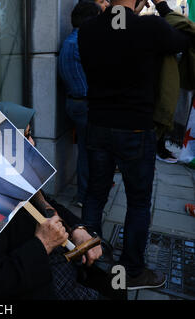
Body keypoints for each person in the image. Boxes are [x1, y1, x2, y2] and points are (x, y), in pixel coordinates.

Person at [0, 102, 118, 300]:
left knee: (115, 282)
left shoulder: (9, 171)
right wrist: (42, 244)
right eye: (24, 137)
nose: (32, 144)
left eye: (30, 134)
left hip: (61, 269)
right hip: (36, 288)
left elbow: (47, 205)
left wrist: (77, 228)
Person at [78, 0, 190, 290]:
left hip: (98, 125)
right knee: (138, 204)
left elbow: (114, 32)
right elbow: (188, 36)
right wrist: (164, 8)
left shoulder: (87, 29)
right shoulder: (151, 27)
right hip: (135, 129)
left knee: (94, 196)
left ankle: (87, 260)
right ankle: (131, 273)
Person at [58, 1, 101, 208]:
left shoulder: (69, 41)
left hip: (73, 103)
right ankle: (84, 196)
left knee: (86, 150)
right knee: (89, 152)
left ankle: (84, 194)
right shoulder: (83, 43)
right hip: (85, 104)